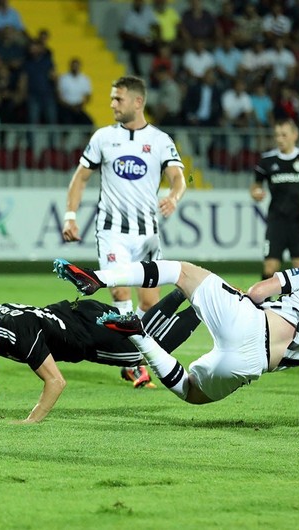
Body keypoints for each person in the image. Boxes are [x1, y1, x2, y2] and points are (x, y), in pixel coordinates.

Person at [52, 239, 299, 431]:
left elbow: (260, 290)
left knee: (181, 272)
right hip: (253, 361)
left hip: (251, 319)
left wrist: (238, 299)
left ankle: (97, 278)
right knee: (192, 392)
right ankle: (138, 335)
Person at [61, 75, 186, 380]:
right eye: (112, 98)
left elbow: (178, 177)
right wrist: (70, 215)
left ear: (137, 101)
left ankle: (133, 352)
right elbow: (80, 177)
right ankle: (133, 363)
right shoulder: (103, 137)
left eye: (118, 99)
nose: (112, 104)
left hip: (147, 234)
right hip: (112, 230)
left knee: (149, 302)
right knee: (118, 288)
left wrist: (174, 195)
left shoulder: (159, 140)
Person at [0, 290, 200, 423]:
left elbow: (56, 382)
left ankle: (201, 304)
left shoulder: (18, 335)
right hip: (78, 312)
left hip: (89, 335)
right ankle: (182, 292)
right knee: (144, 331)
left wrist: (31, 421)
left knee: (144, 352)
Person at [250, 119, 299, 280]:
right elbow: (255, 185)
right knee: (269, 268)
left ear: (295, 135)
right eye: (277, 135)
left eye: (284, 135)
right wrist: (255, 192)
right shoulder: (267, 160)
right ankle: (264, 305)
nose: (279, 139)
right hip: (276, 221)